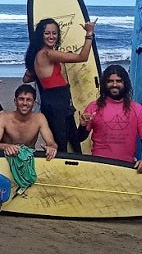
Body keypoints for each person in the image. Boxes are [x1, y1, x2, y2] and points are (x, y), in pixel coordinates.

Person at [23, 16, 97, 153]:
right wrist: (89, 33)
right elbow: (83, 57)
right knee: (62, 143)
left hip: (57, 102)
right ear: (41, 35)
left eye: (54, 33)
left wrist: (37, 71)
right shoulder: (47, 53)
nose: (51, 36)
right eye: (47, 33)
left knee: (73, 140)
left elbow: (26, 79)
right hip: (56, 104)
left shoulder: (38, 54)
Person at [78, 65, 142, 172]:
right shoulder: (93, 107)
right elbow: (80, 138)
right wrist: (83, 125)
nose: (114, 85)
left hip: (127, 166)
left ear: (125, 83)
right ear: (104, 84)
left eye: (119, 81)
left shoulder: (137, 109)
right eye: (110, 81)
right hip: (99, 164)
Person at [0, 85, 57, 159]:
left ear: (34, 103)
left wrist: (51, 148)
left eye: (29, 100)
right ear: (15, 101)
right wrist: (6, 147)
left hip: (29, 158)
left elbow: (52, 143)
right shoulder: (3, 118)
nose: (25, 103)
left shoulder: (39, 118)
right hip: (8, 157)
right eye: (21, 99)